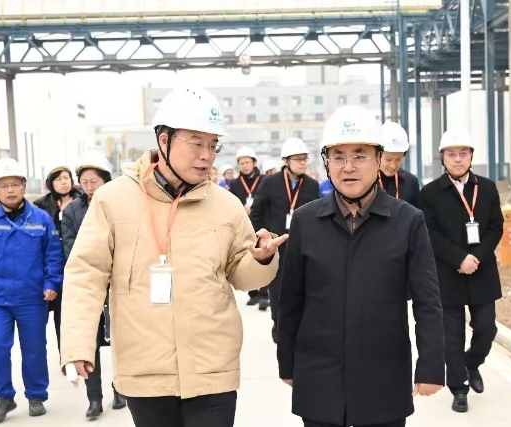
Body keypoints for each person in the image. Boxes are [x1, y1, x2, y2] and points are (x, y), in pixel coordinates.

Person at [59, 85, 287, 427]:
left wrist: (261, 259)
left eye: (213, 145)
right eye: (196, 143)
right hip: (145, 369)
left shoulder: (226, 205)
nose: (207, 155)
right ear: (163, 140)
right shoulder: (113, 200)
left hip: (212, 368)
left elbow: (242, 277)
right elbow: (86, 273)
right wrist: (77, 344)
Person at [277, 105, 445, 427]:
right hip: (319, 377)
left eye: (360, 155)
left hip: (383, 377)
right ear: (327, 162)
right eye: (338, 156)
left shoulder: (408, 221)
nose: (348, 167)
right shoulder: (305, 221)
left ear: (379, 159)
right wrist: (287, 362)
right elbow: (291, 300)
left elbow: (428, 301)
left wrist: (431, 366)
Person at [0, 158, 64, 424]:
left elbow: (53, 256)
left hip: (32, 299)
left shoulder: (41, 220)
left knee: (34, 349)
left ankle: (36, 395)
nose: (10, 190)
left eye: (15, 184)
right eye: (3, 185)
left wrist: (52, 283)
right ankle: (3, 396)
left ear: (24, 186)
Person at [419, 130, 504, 414]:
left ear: (471, 156)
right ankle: (459, 389)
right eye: (451, 154)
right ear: (442, 158)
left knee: (487, 328)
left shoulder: (487, 188)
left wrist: (476, 257)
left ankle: (472, 363)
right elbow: (430, 232)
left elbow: (496, 226)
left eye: (463, 153)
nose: (458, 159)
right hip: (448, 272)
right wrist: (459, 258)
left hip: (482, 270)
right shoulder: (430, 193)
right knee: (452, 337)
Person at [60, 153, 127, 419]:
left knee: (120, 340)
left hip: (117, 285)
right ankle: (94, 399)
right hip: (89, 285)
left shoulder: (119, 206)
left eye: (94, 181)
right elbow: (71, 249)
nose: (89, 187)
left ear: (106, 180)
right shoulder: (72, 211)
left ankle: (121, 389)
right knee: (90, 343)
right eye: (85, 182)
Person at [250, 137, 319, 342]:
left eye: (305, 159)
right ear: (286, 161)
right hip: (277, 246)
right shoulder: (270, 183)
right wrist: (260, 239)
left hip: (303, 245)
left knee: (303, 288)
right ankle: (279, 325)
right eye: (298, 159)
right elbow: (257, 211)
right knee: (278, 289)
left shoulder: (312, 185)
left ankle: (299, 325)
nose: (302, 163)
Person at [33, 165, 82, 353]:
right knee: (43, 316)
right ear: (51, 184)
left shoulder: (82, 201)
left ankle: (69, 355)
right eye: (59, 179)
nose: (64, 182)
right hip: (49, 267)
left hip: (74, 264)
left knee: (67, 316)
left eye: (66, 178)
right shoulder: (40, 206)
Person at [229, 146, 268, 306]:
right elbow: (231, 202)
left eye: (247, 162)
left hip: (263, 223)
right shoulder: (235, 183)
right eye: (241, 163)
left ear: (254, 163)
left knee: (264, 258)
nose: (244, 166)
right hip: (243, 225)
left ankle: (264, 294)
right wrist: (241, 207)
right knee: (247, 259)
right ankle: (253, 293)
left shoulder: (265, 180)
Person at [379, 122, 422, 210]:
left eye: (398, 159)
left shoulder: (411, 182)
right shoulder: (365, 181)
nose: (393, 166)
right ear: (377, 154)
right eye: (388, 159)